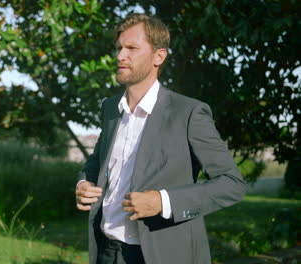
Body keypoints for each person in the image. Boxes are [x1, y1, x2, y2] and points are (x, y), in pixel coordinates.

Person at [75, 13, 246, 264]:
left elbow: (232, 183)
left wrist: (163, 201)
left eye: (132, 48)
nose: (120, 56)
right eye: (119, 48)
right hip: (106, 251)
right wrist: (83, 184)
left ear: (159, 56)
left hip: (160, 254)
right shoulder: (111, 108)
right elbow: (97, 161)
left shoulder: (188, 113)